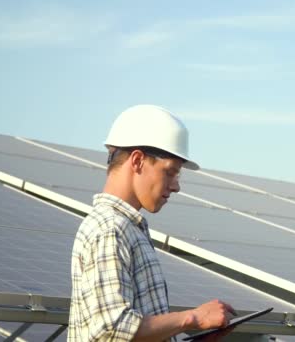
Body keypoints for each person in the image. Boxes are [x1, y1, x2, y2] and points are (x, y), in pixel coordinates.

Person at [68, 105, 236, 341]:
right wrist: (193, 318)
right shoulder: (109, 228)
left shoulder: (128, 229)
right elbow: (112, 329)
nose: (176, 186)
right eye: (169, 172)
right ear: (137, 161)